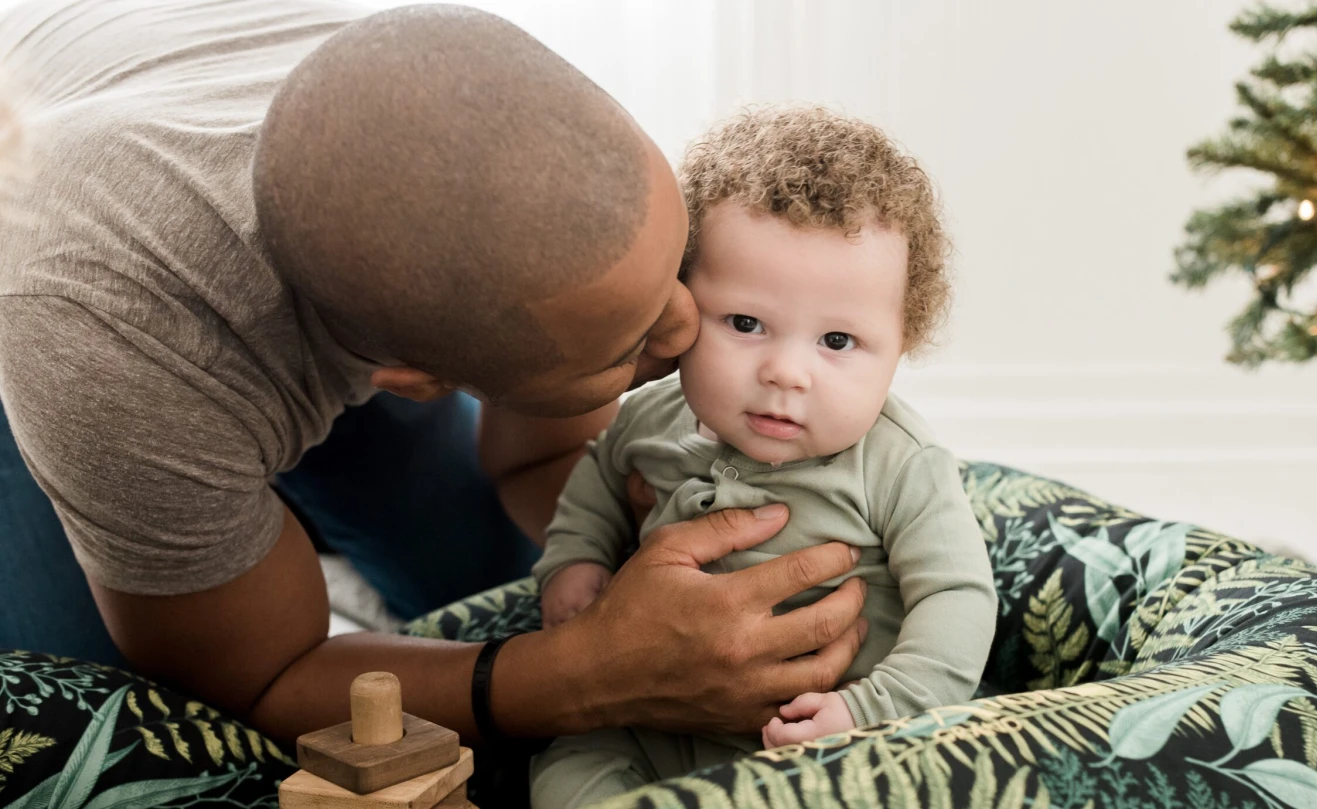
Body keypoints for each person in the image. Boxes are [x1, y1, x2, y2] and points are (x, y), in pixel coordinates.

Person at [0, 0, 868, 754]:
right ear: (415, 379)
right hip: (50, 291)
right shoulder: (100, 350)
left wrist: (639, 522)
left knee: (491, 569)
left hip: (146, 91)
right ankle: (228, 513)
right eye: (625, 345)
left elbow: (538, 459)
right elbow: (267, 679)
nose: (690, 330)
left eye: (673, 268)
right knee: (118, 724)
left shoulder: (528, 144)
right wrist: (590, 674)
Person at [529, 108, 998, 809]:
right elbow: (598, 479)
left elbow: (958, 597)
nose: (786, 371)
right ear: (682, 304)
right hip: (646, 718)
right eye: (746, 324)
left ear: (903, 343)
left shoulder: (900, 464)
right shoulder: (649, 419)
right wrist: (576, 561)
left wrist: (872, 709)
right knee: (567, 764)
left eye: (837, 341)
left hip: (819, 738)